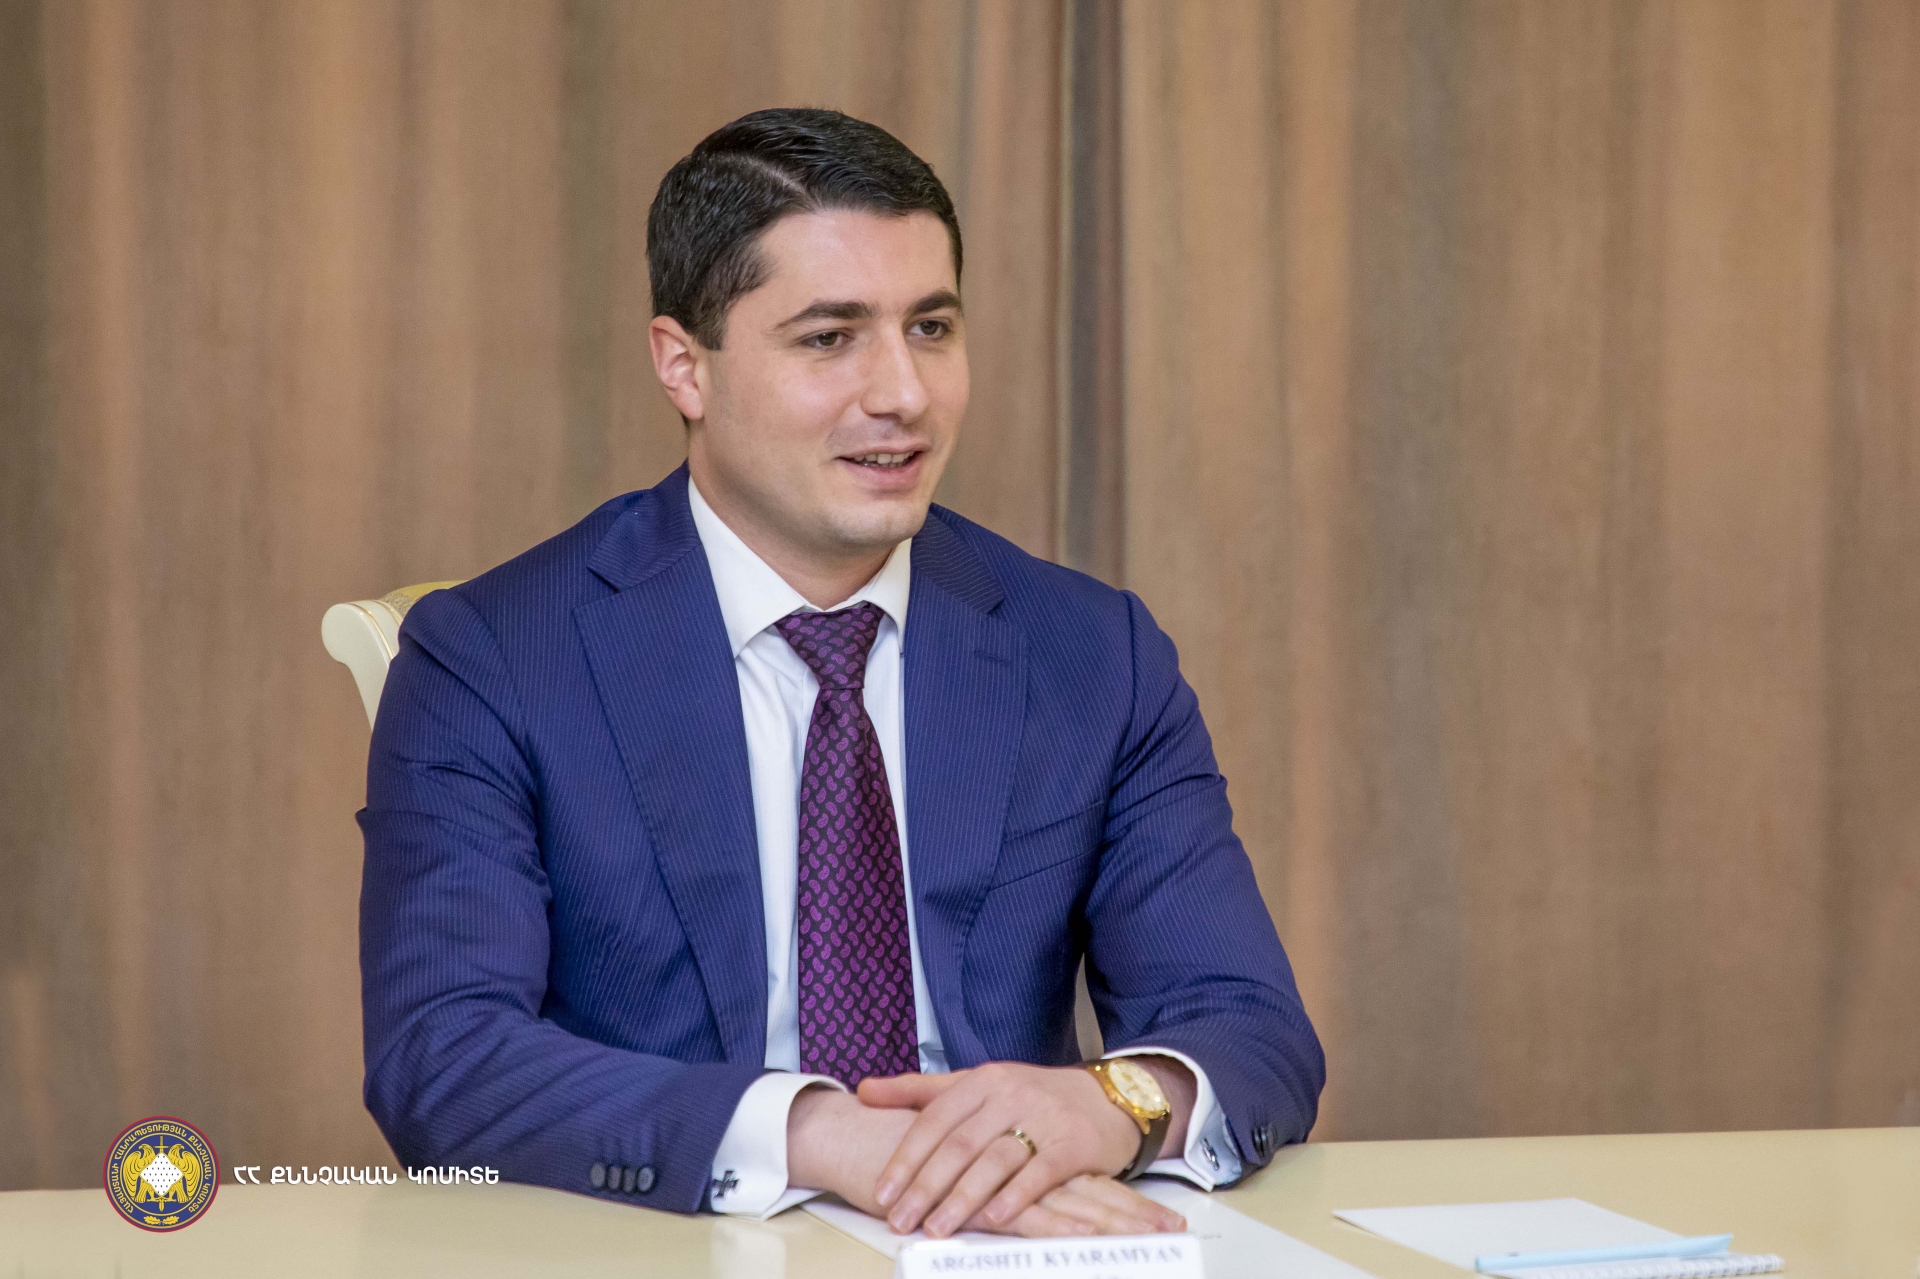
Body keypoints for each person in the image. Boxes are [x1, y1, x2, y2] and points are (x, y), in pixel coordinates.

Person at [359, 107, 1323, 1240]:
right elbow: (446, 1054)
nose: (903, 393)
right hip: (675, 1237)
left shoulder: (1090, 652)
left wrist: (1111, 1102)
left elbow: (1248, 1023)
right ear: (685, 365)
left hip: (1014, 1237)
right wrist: (822, 1135)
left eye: (931, 327)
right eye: (829, 338)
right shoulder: (495, 655)